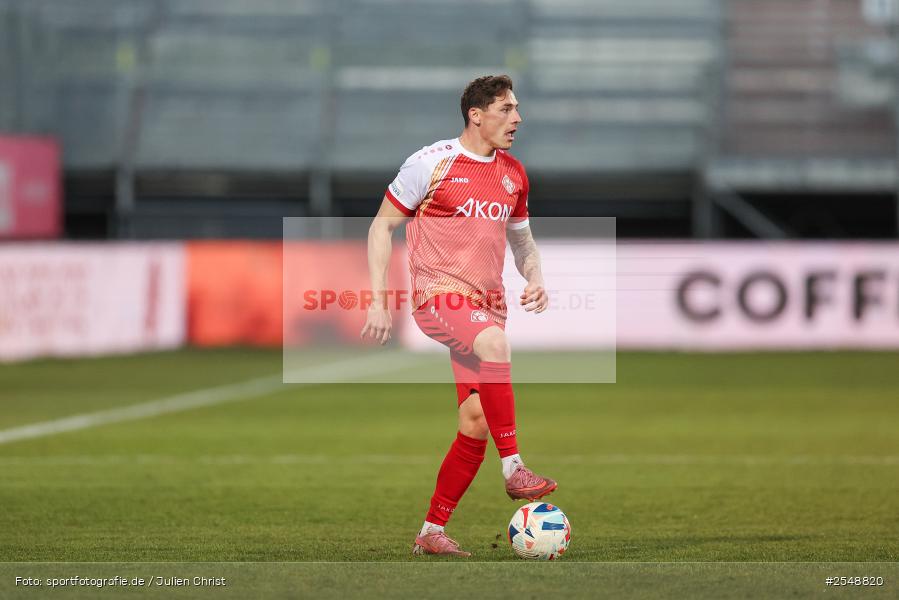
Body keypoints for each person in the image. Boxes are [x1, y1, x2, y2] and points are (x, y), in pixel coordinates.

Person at [361, 75, 556, 558]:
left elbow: (522, 240)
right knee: (495, 345)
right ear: (477, 114)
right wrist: (378, 299)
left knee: (475, 423)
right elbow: (381, 228)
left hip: (488, 305)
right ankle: (514, 469)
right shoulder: (430, 163)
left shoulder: (514, 174)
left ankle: (431, 531)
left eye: (516, 109)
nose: (517, 118)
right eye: (507, 109)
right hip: (439, 297)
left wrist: (535, 276)